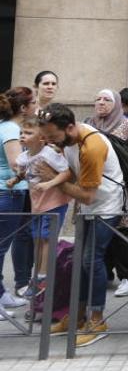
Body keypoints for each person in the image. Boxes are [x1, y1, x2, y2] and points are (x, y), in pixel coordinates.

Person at [37, 104, 125, 347]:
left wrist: (52, 181)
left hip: (105, 209)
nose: (52, 142)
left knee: (91, 260)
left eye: (54, 137)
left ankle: (97, 320)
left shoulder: (91, 147)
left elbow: (87, 195)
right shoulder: (71, 140)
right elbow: (74, 177)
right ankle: (77, 316)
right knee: (82, 261)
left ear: (70, 127)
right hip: (90, 209)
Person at [85, 89, 128, 299]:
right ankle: (104, 273)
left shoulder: (127, 126)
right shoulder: (87, 125)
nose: (101, 103)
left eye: (107, 100)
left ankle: (127, 276)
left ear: (117, 104)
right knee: (96, 229)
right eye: (98, 98)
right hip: (91, 187)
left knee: (120, 230)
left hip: (119, 188)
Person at [6, 118, 70, 298]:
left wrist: (49, 183)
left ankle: (43, 276)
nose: (22, 136)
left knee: (47, 238)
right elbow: (25, 172)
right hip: (38, 203)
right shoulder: (24, 156)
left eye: (28, 133)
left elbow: (66, 173)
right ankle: (38, 275)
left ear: (42, 138)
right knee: (37, 238)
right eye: (21, 133)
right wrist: (16, 180)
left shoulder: (49, 154)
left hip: (54, 202)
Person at [0, 87, 37, 313]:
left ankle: (2, 295)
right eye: (32, 103)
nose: (35, 107)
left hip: (8, 192)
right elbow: (16, 164)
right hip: (9, 192)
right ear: (23, 108)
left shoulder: (5, 126)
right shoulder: (12, 129)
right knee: (1, 248)